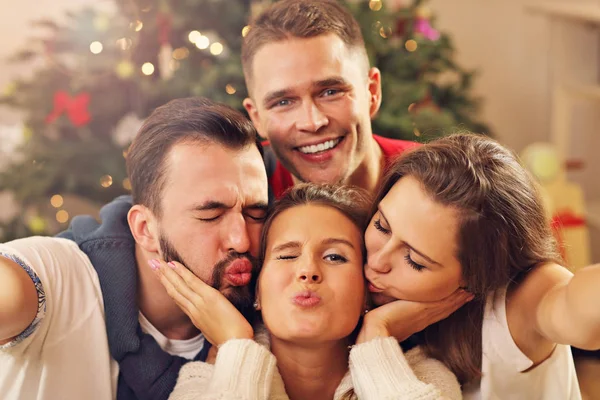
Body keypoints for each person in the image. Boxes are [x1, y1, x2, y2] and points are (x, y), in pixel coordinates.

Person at [0, 97, 269, 400]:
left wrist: (237, 349)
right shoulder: (61, 277)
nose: (242, 240)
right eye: (211, 214)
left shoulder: (275, 314)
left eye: (255, 214)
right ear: (145, 229)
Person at [152, 184, 465, 399]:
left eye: (334, 257)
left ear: (366, 292)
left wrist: (376, 337)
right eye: (287, 255)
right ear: (258, 290)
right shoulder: (205, 381)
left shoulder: (421, 377)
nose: (308, 271)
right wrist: (236, 345)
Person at [363, 133, 600, 398]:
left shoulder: (516, 301)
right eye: (382, 226)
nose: (377, 261)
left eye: (414, 261)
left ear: (476, 277)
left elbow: (576, 307)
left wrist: (374, 336)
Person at [241, 0, 419, 199]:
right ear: (256, 118)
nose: (312, 123)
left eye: (330, 92)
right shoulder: (240, 191)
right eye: (283, 102)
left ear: (372, 92)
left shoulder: (434, 181)